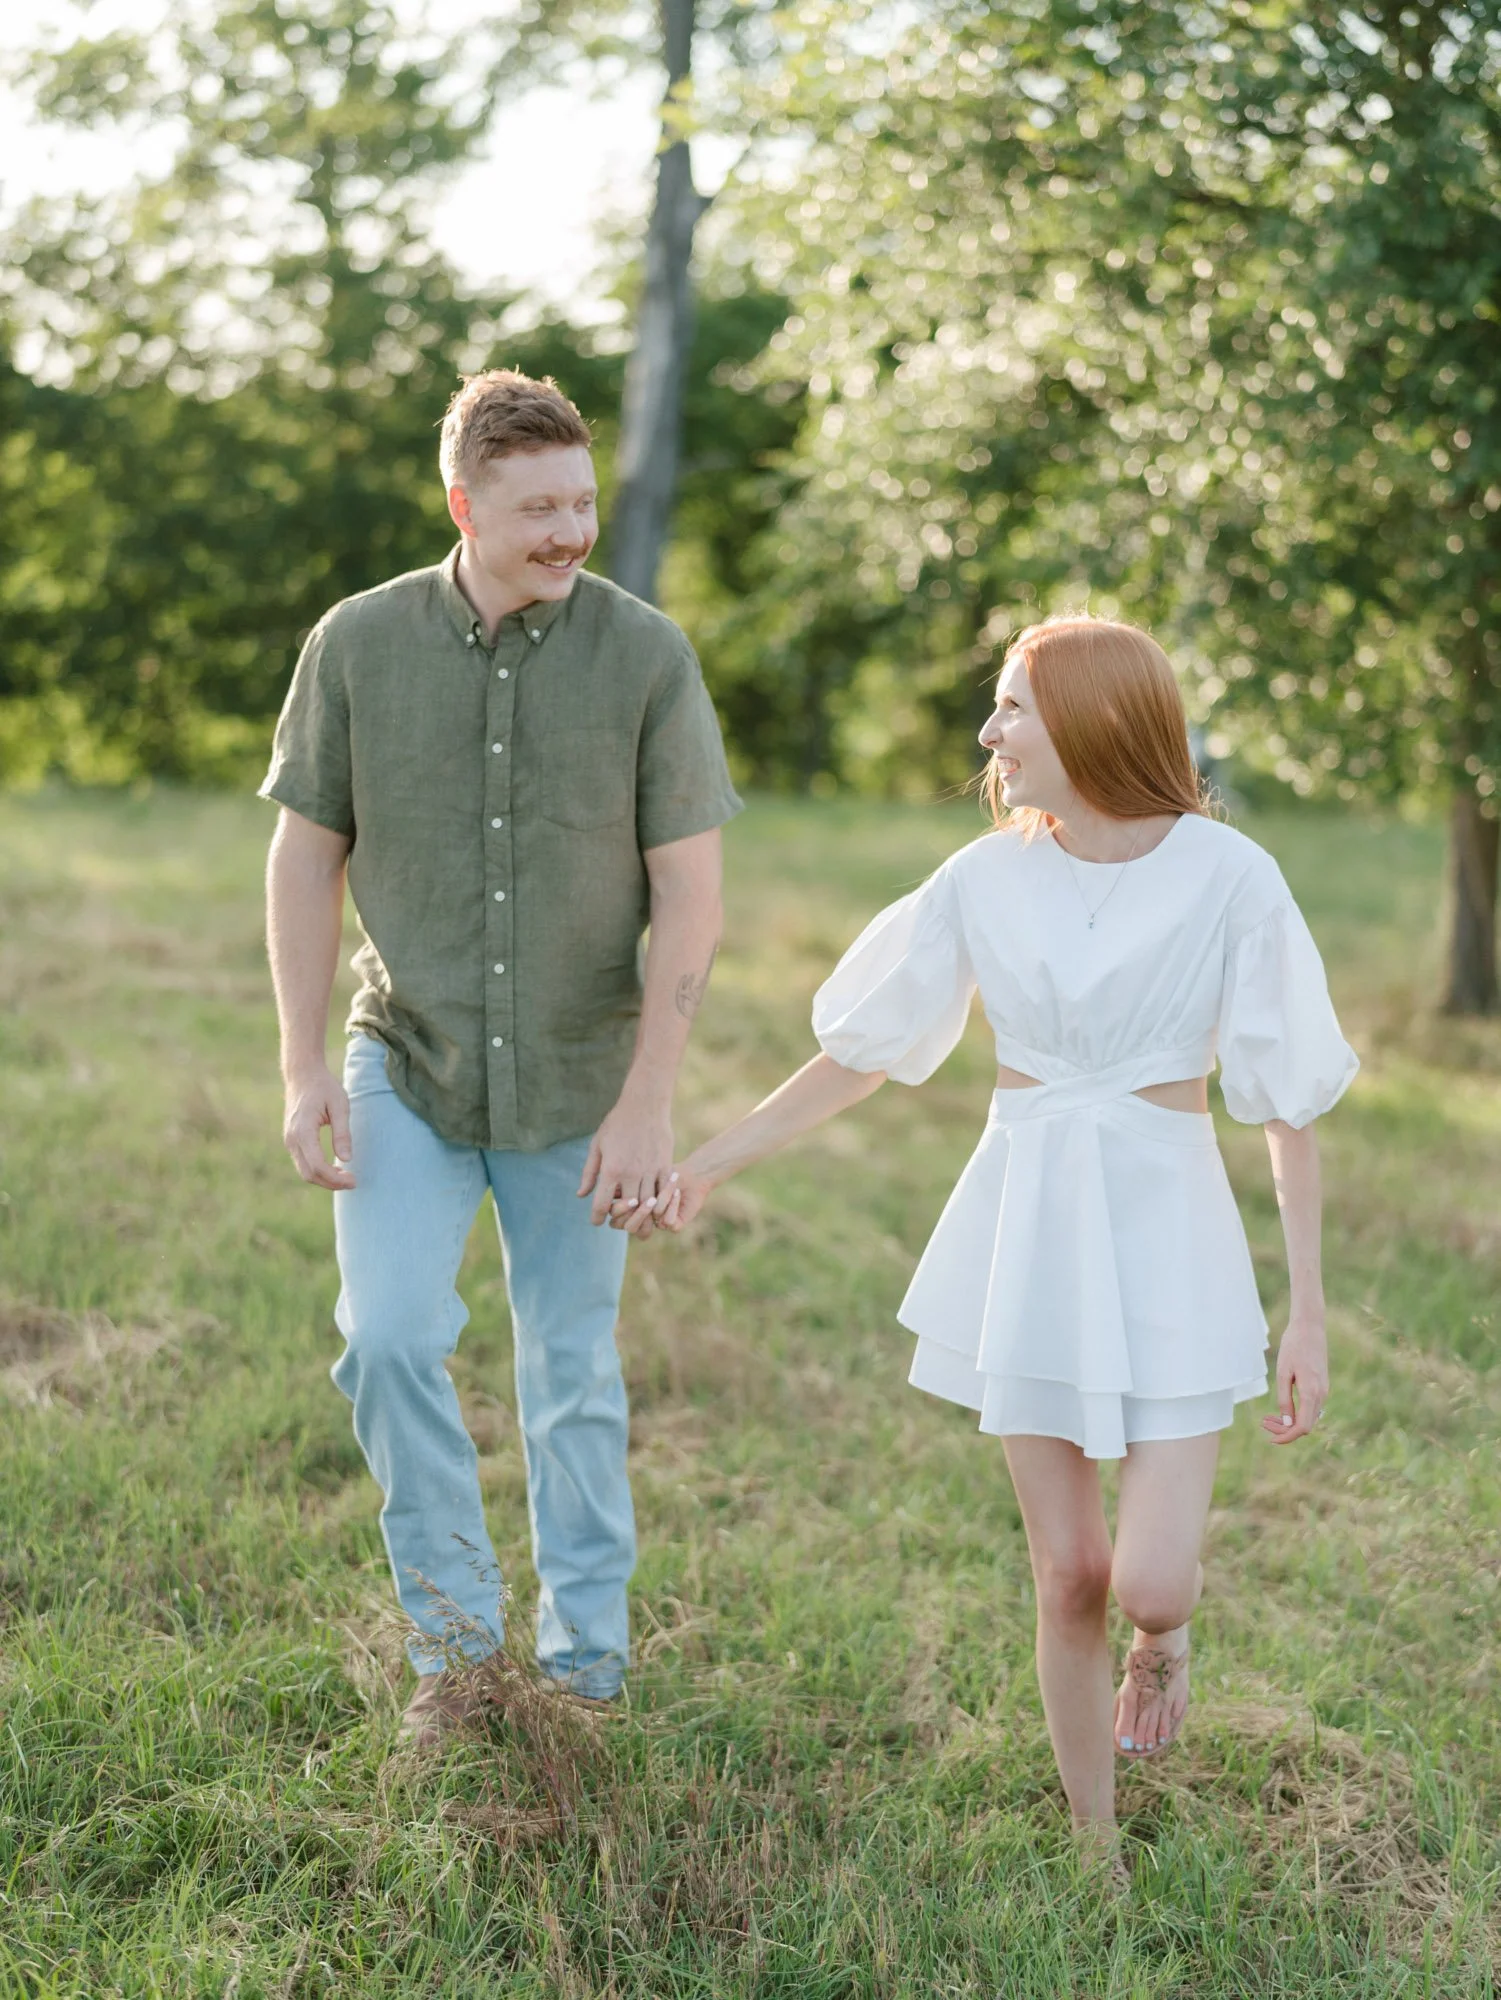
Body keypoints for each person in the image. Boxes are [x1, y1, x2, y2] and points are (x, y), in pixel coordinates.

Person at [624, 615, 1355, 1875]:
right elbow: (859, 1056)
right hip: (1026, 1224)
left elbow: (1286, 1101)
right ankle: (1093, 1839)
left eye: (1011, 705)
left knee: (1151, 1581)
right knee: (1069, 1567)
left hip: (1169, 1230)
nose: (989, 733)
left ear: (1088, 719)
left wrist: (1307, 1312)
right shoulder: (980, 879)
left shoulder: (1232, 878)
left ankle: (1165, 1642)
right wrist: (707, 1163)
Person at [261, 368, 740, 1745]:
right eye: (539, 509)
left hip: (586, 1083)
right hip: (402, 1060)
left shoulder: (646, 658)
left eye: (583, 502)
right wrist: (302, 1070)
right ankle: (457, 1661)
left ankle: (585, 1669)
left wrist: (650, 1100)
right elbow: (304, 859)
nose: (570, 531)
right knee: (390, 1339)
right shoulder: (354, 645)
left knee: (572, 1372)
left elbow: (692, 896)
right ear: (464, 505)